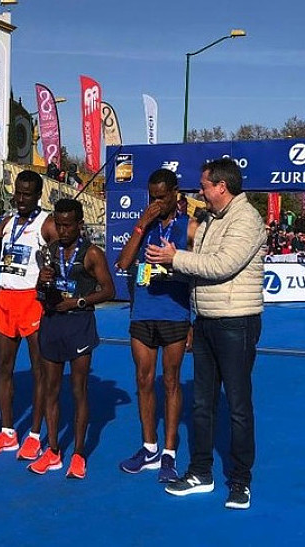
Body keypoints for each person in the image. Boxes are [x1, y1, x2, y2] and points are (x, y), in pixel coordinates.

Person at [146, 157, 265, 510]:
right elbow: (202, 267)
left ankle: (241, 481)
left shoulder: (246, 219)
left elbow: (222, 265)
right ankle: (201, 472)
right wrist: (169, 270)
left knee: (238, 406)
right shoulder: (213, 219)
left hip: (237, 322)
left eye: (204, 186)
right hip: (207, 320)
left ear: (221, 187)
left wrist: (175, 258)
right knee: (202, 403)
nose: (199, 192)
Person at [114, 168, 195, 482]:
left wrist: (193, 321)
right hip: (143, 313)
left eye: (162, 197)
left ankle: (169, 453)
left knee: (171, 382)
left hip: (175, 313)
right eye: (152, 197)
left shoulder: (190, 227)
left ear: (175, 193)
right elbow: (123, 263)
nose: (157, 203)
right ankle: (149, 448)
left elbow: (202, 270)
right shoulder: (143, 225)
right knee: (143, 380)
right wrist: (141, 223)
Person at [0, 169, 57, 459]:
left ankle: (34, 435)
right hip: (6, 299)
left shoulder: (47, 223)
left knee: (39, 371)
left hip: (31, 300)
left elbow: (62, 255)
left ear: (38, 195)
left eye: (27, 194)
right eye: (17, 193)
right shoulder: (6, 222)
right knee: (3, 368)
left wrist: (50, 268)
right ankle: (8, 433)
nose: (20, 199)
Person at [28, 199, 115, 478]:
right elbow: (39, 292)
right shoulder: (50, 251)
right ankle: (53, 450)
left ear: (79, 224)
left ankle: (78, 454)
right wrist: (42, 281)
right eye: (59, 225)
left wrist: (77, 302)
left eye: (68, 225)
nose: (63, 230)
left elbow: (109, 290)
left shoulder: (92, 253)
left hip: (79, 324)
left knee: (79, 390)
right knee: (50, 389)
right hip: (52, 322)